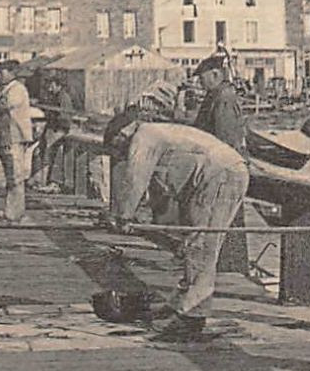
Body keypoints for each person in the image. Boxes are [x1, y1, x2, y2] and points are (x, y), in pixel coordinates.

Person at [102, 99, 249, 341]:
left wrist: (123, 216)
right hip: (212, 178)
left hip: (221, 175)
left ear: (122, 134)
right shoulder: (158, 135)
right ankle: (183, 303)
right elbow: (161, 190)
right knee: (193, 245)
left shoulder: (145, 136)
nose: (120, 153)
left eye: (117, 147)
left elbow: (135, 177)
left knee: (201, 247)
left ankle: (192, 316)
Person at [0, 59, 39, 220]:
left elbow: (6, 105)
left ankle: (15, 214)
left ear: (12, 73)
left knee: (16, 176)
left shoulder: (17, 89)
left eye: (1, 72)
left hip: (15, 137)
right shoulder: (5, 89)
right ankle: (10, 211)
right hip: (5, 137)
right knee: (10, 176)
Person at [190, 51, 247, 154]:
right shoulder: (214, 95)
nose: (200, 82)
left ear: (215, 75)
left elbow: (225, 138)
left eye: (202, 78)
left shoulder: (224, 98)